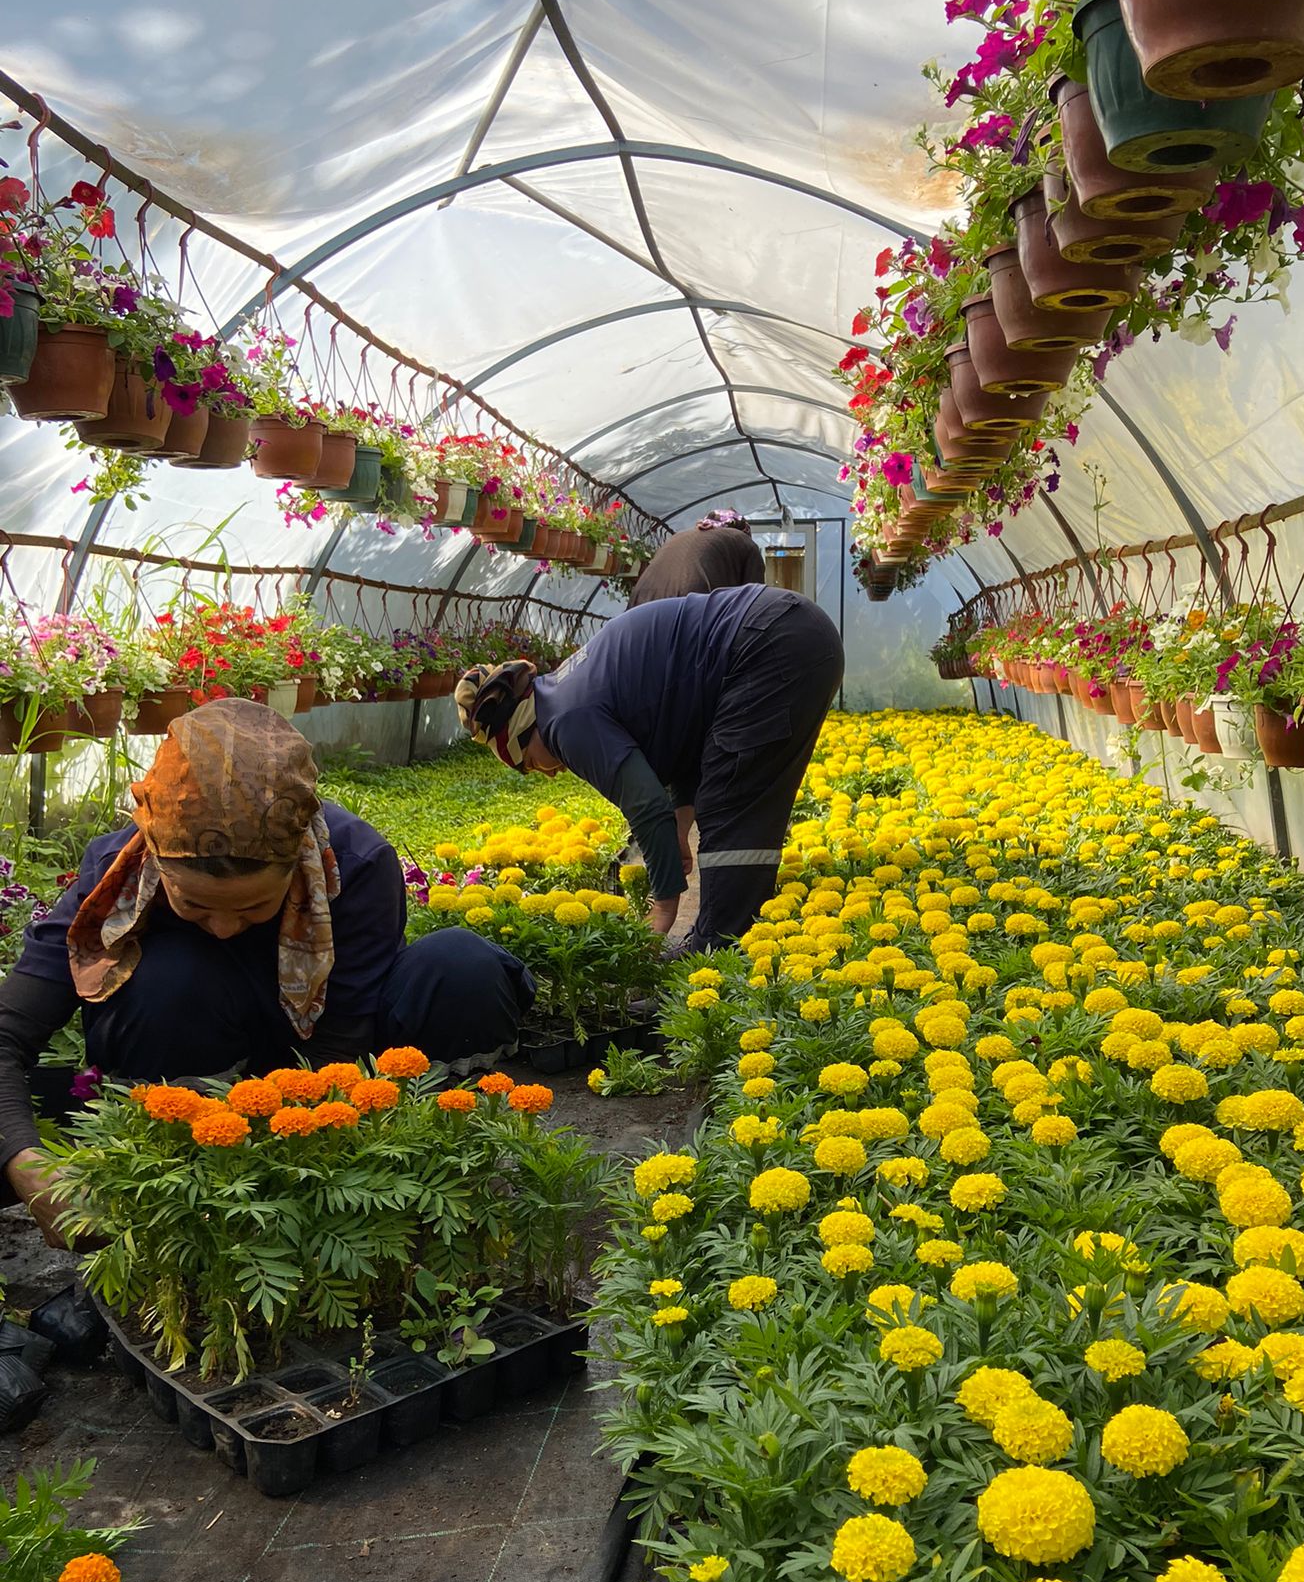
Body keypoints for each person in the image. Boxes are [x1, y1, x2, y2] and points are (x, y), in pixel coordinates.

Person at [0, 699, 534, 1246]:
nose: (226, 926)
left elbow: (338, 1051)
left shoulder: (355, 864)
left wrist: (310, 1171)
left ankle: (431, 1186)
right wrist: (24, 1160)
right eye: (196, 907)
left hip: (335, 1054)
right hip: (194, 1053)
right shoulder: (114, 874)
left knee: (461, 969)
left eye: (255, 909)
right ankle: (178, 1201)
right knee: (168, 982)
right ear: (157, 860)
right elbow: (5, 1035)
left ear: (300, 855)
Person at [456, 582, 843, 951]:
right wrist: (680, 827)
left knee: (731, 806)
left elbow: (646, 805)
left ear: (521, 733)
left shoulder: (566, 721)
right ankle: (726, 943)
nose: (547, 772)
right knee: (727, 788)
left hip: (769, 643)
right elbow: (692, 747)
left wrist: (663, 906)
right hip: (787, 631)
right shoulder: (567, 690)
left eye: (530, 765)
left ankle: (721, 951)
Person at [627, 510, 765, 608]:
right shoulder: (744, 541)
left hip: (637, 607)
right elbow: (752, 602)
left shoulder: (678, 537)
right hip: (690, 610)